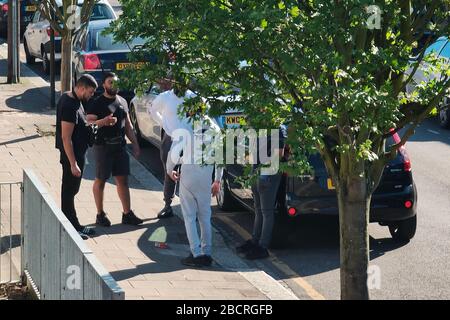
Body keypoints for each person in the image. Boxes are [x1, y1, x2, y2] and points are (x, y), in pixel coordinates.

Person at [55, 74, 117, 239]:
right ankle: (71, 227)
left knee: (71, 190)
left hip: (77, 153)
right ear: (81, 88)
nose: (91, 95)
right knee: (69, 191)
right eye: (90, 92)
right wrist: (73, 163)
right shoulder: (69, 106)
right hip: (72, 156)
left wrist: (103, 122)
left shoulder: (75, 101)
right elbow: (66, 137)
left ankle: (72, 225)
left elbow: (83, 125)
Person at [86, 72, 144, 227]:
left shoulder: (123, 101)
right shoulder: (97, 102)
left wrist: (136, 145)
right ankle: (100, 214)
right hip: (103, 147)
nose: (114, 85)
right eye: (110, 82)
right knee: (101, 180)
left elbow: (128, 126)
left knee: (123, 180)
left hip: (120, 147)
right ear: (104, 85)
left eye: (116, 82)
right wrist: (103, 121)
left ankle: (127, 213)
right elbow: (88, 123)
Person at [166, 114, 223, 267]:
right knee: (205, 216)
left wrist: (170, 170)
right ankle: (207, 253)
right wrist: (217, 180)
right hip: (206, 176)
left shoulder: (185, 126)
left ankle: (196, 253)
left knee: (190, 217)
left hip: (188, 174)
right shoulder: (216, 129)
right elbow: (221, 157)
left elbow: (173, 153)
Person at [236, 125, 288, 259]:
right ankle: (255, 242)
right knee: (259, 210)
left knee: (266, 212)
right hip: (257, 173)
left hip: (268, 174)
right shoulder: (260, 126)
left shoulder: (278, 129)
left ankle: (263, 247)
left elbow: (279, 154)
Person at [147, 77, 192, 219]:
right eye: (178, 82)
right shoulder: (165, 97)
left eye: (184, 82)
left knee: (189, 174)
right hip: (170, 139)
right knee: (169, 172)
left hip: (188, 141)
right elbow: (153, 110)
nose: (181, 85)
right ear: (173, 82)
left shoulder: (193, 98)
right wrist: (164, 124)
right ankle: (168, 205)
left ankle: (190, 208)